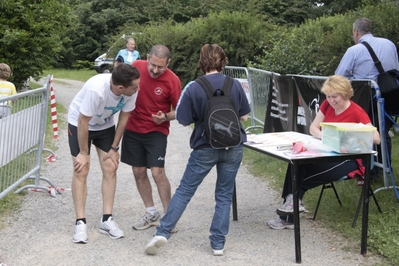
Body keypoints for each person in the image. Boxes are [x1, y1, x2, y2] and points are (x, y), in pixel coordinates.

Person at [144, 43, 251, 256]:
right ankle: (218, 243)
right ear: (223, 61)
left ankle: (163, 232)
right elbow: (244, 116)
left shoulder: (194, 87)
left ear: (202, 62)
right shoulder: (235, 84)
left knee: (185, 190)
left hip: (205, 147)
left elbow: (183, 119)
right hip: (233, 146)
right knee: (224, 193)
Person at [267, 75, 380, 230]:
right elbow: (314, 127)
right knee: (295, 164)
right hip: (327, 154)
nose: (331, 100)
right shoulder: (327, 105)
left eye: (335, 97)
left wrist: (349, 136)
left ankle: (289, 214)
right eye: (328, 96)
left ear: (346, 94)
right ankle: (291, 209)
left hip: (349, 160)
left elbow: (376, 139)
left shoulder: (357, 112)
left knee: (298, 179)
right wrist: (324, 136)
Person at [67, 64, 140, 243]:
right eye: (135, 86)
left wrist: (114, 148)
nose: (138, 88)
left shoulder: (131, 90)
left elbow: (124, 117)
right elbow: (83, 121)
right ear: (121, 87)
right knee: (81, 169)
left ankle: (106, 219)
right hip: (80, 124)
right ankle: (80, 222)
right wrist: (84, 153)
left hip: (104, 126)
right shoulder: (96, 90)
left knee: (110, 166)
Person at [121, 44, 181, 230]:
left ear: (168, 63)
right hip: (132, 128)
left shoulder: (173, 80)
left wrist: (164, 117)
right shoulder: (136, 67)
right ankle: (150, 212)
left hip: (157, 130)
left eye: (160, 67)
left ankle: (169, 217)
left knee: (157, 172)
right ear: (147, 58)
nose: (155, 70)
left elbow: (179, 110)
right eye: (152, 65)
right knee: (138, 171)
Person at [335, 17, 399, 172]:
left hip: (367, 97)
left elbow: (339, 76)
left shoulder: (354, 50)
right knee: (382, 131)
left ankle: (370, 171)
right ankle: (385, 168)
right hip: (390, 94)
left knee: (366, 133)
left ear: (356, 32)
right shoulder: (389, 44)